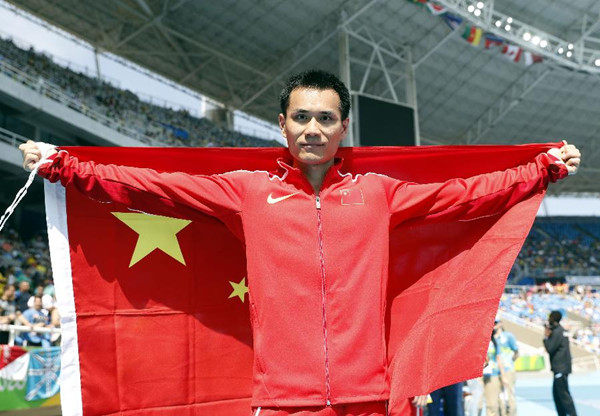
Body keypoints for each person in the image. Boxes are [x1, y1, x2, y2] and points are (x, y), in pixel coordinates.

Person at [19, 69, 581, 416]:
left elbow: (465, 195)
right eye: (302, 117)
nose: (313, 128)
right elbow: (155, 187)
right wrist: (66, 166)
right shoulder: (246, 191)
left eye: (326, 118)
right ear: (282, 124)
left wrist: (541, 170)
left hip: (372, 399)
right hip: (284, 401)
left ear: (343, 128)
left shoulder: (378, 194)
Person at [544, 310, 578, 416]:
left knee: (563, 394)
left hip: (560, 368)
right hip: (561, 367)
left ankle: (572, 414)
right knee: (557, 394)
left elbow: (550, 348)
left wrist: (546, 337)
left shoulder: (557, 332)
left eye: (550, 317)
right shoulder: (561, 331)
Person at [494, 319, 518, 416]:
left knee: (509, 395)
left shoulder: (508, 336)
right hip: (494, 371)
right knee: (498, 397)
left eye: (495, 322)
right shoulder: (490, 338)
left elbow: (516, 352)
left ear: (500, 323)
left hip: (507, 369)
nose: (493, 324)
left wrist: (509, 363)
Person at [483, 332, 504, 416]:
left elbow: (499, 359)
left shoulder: (494, 342)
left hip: (492, 374)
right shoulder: (475, 340)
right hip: (476, 376)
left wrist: (503, 376)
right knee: (477, 404)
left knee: (491, 404)